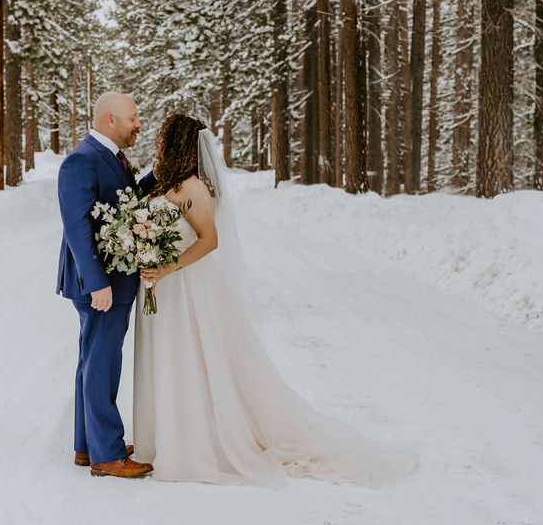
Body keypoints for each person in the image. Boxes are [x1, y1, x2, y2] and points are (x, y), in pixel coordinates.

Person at [134, 113, 418, 487]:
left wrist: (168, 267)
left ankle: (194, 443)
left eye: (165, 140)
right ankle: (163, 438)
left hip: (187, 284)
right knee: (167, 356)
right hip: (163, 286)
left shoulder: (192, 187)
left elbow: (209, 240)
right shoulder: (162, 184)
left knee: (190, 358)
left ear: (178, 145)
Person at [56, 91, 157, 479]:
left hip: (110, 282)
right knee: (102, 365)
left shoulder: (111, 157)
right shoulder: (81, 160)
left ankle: (88, 446)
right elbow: (77, 226)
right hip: (101, 285)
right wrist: (97, 284)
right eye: (133, 117)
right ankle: (107, 455)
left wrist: (158, 175)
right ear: (111, 119)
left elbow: (124, 203)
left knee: (93, 362)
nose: (139, 124)